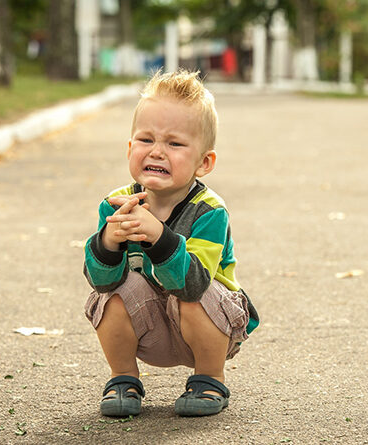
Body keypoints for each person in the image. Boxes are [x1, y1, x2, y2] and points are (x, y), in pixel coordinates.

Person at [82, 69, 259, 418]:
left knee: (194, 293)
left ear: (203, 163)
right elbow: (100, 281)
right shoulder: (117, 205)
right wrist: (108, 242)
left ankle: (210, 380)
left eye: (175, 144)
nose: (157, 152)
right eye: (146, 140)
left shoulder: (210, 212)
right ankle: (123, 379)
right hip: (150, 328)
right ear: (130, 148)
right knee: (113, 291)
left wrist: (159, 236)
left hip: (210, 329)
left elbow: (192, 286)